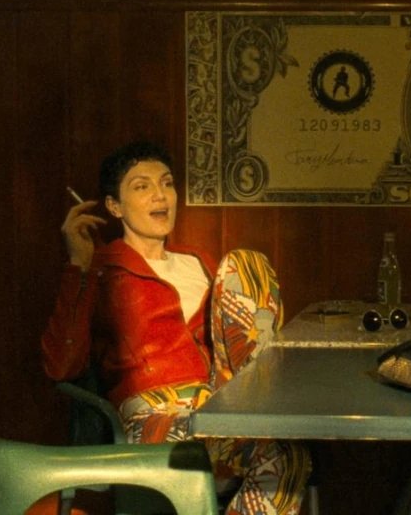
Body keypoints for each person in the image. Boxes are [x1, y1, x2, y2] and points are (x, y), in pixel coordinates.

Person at [41, 139, 310, 515]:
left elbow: (236, 341)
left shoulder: (201, 262)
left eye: (167, 183)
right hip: (152, 421)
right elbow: (61, 365)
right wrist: (79, 266)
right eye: (142, 186)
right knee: (279, 455)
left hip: (218, 406)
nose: (160, 195)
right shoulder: (99, 267)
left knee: (246, 263)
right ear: (115, 206)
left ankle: (253, 405)